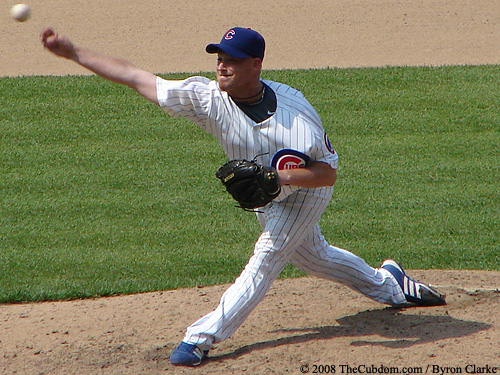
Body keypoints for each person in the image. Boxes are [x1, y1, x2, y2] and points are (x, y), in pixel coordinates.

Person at [40, 26, 446, 367]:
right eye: (219, 57)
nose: (222, 65)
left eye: (232, 60)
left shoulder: (296, 115)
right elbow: (136, 77)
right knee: (313, 257)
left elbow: (327, 174)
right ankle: (388, 284)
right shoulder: (208, 98)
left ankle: (200, 338)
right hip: (268, 197)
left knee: (266, 259)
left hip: (304, 193)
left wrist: (278, 177)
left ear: (256, 65)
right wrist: (73, 52)